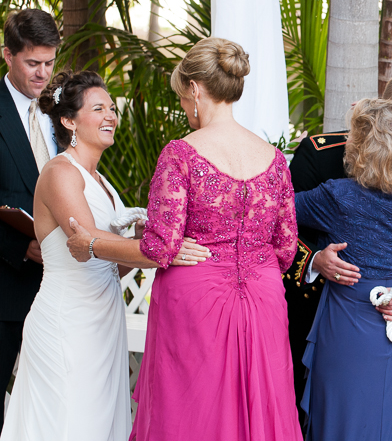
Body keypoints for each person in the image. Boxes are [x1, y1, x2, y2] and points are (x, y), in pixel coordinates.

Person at [66, 37, 302, 441]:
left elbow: (160, 247)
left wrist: (91, 243)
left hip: (197, 298)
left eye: (180, 96)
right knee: (260, 409)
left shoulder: (181, 153)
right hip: (263, 300)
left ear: (195, 89)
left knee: (192, 414)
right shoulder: (274, 159)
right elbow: (285, 247)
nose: (181, 106)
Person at [1, 70, 203, 440]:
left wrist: (143, 243)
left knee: (100, 425)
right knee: (69, 425)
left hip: (106, 320)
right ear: (68, 120)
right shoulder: (60, 172)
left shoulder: (103, 182)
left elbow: (109, 263)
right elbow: (90, 239)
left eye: (112, 107)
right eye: (99, 108)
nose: (111, 115)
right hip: (67, 321)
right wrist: (162, 249)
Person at [284, 72, 392, 419]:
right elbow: (280, 231)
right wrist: (314, 261)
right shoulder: (319, 154)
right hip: (308, 318)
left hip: (385, 323)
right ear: (388, 113)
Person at [0, 9, 60, 432]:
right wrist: (20, 246)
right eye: (32, 63)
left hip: (59, 287)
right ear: (7, 55)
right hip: (5, 284)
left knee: (49, 404)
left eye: (49, 62)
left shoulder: (62, 113)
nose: (42, 74)